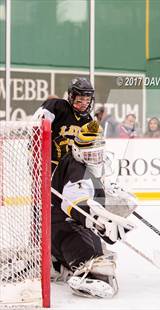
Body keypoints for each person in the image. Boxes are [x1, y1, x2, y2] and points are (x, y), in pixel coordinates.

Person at [51, 120, 136, 298]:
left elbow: (92, 189)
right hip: (61, 225)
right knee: (94, 259)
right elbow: (74, 201)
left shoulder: (83, 163)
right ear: (77, 151)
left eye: (98, 154)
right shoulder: (76, 170)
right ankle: (67, 265)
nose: (95, 159)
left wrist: (109, 194)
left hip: (62, 225)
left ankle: (59, 263)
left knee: (100, 251)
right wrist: (99, 221)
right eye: (90, 156)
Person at [32, 77, 94, 172]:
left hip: (71, 168)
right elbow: (37, 126)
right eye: (80, 99)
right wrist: (35, 154)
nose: (84, 103)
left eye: (88, 99)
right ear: (71, 96)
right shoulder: (58, 106)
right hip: (50, 163)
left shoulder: (88, 120)